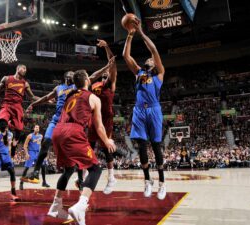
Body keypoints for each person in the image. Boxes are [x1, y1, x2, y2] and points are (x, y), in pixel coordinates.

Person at [25, 59, 115, 186]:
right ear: (65, 77)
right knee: (45, 143)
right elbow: (46, 98)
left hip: (72, 121)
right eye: (69, 74)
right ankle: (35, 173)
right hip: (57, 119)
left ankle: (80, 178)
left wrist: (106, 67)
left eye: (74, 74)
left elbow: (93, 76)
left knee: (77, 152)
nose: (71, 75)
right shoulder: (59, 88)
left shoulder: (76, 88)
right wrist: (33, 104)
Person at [47, 70, 116, 224]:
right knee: (95, 168)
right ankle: (81, 205)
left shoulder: (70, 93)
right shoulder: (93, 98)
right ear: (86, 80)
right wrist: (107, 141)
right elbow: (98, 127)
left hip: (58, 131)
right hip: (73, 131)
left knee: (69, 169)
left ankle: (55, 206)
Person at [123, 18, 166, 200]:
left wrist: (141, 32)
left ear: (155, 64)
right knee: (141, 145)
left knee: (156, 146)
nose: (149, 60)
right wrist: (129, 37)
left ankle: (162, 182)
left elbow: (154, 50)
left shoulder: (160, 74)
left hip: (154, 110)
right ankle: (147, 180)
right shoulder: (139, 72)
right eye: (147, 59)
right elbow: (126, 56)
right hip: (139, 110)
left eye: (151, 60)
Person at [0, 64, 39, 160]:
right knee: (2, 123)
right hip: (7, 105)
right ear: (18, 68)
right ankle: (5, 138)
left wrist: (45, 99)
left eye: (26, 69)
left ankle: (13, 147)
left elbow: (32, 97)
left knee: (19, 130)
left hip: (17, 107)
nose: (25, 70)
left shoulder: (25, 83)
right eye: (23, 68)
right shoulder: (6, 79)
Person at [88, 39, 118, 195]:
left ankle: (111, 178)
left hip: (106, 119)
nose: (107, 72)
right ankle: (87, 176)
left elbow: (112, 62)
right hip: (94, 117)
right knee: (89, 146)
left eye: (109, 72)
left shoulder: (110, 83)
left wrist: (106, 46)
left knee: (106, 149)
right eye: (105, 72)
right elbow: (92, 76)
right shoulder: (93, 85)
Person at [20, 125, 49, 189]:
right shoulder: (30, 136)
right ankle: (21, 183)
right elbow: (25, 145)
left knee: (43, 166)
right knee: (26, 168)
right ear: (33, 129)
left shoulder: (41, 136)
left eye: (38, 128)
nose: (37, 128)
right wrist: (27, 154)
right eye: (36, 127)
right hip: (31, 152)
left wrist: (43, 153)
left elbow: (41, 145)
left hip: (38, 152)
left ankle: (44, 182)